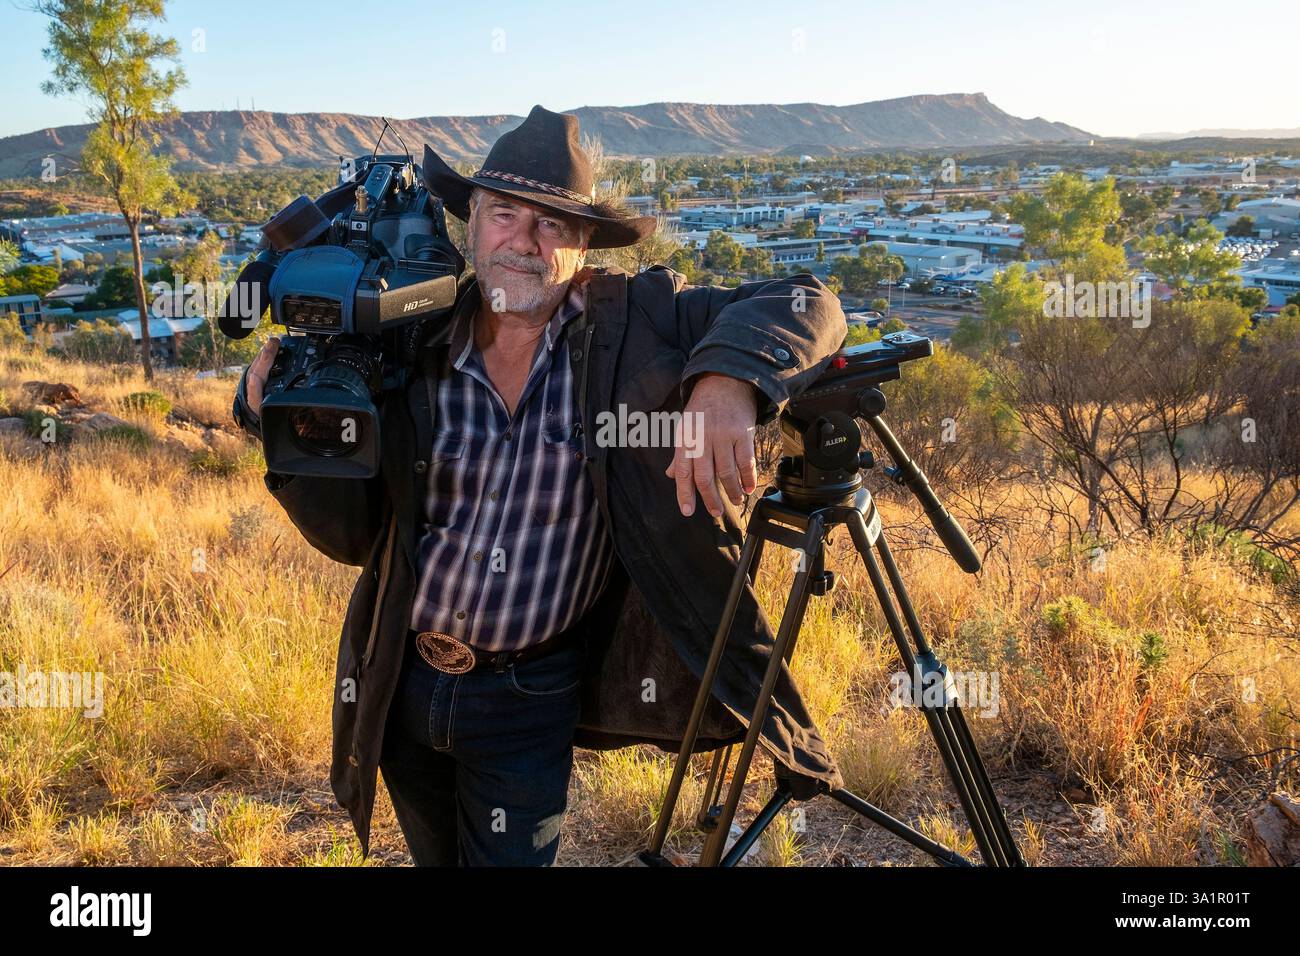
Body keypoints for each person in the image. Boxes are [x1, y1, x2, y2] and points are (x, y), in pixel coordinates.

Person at [241, 105, 848, 865]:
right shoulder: (412, 334)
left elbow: (811, 302)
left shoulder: (635, 323)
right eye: (504, 215)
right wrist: (284, 429)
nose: (524, 242)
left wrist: (728, 382)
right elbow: (352, 537)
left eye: (552, 225)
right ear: (471, 226)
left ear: (584, 245)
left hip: (529, 695)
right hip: (400, 679)